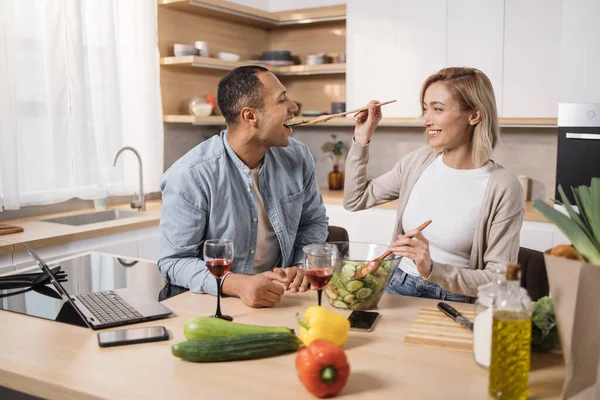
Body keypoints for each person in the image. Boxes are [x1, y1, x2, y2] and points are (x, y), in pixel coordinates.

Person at [344, 67, 524, 301]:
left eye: (437, 109)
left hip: (453, 299)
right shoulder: (419, 161)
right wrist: (361, 138)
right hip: (396, 285)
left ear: (474, 115)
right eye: (425, 109)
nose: (426, 120)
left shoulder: (503, 186)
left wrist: (432, 269)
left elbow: (499, 279)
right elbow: (355, 199)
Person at [158, 65, 328, 308]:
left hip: (279, 299)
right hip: (209, 303)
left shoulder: (298, 157)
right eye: (282, 100)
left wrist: (301, 265)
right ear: (250, 116)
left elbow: (313, 222)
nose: (294, 107)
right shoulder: (190, 175)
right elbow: (173, 262)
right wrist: (237, 284)